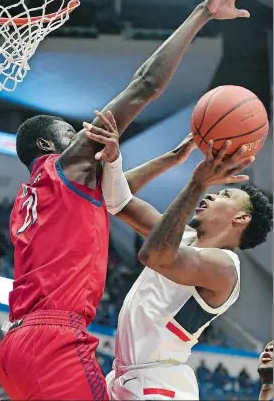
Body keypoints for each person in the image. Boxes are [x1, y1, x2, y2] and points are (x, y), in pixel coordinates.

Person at [0, 0, 261, 399]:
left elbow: (114, 197)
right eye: (72, 132)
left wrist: (170, 159)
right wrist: (202, 12)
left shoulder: (36, 195)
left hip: (15, 345)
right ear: (51, 145)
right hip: (55, 342)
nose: (83, 133)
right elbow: (146, 84)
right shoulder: (72, 165)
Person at [85, 109, 272, 400]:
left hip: (159, 386)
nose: (211, 195)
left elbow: (155, 257)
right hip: (128, 377)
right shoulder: (184, 237)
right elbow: (118, 201)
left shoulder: (224, 267)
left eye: (225, 195)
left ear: (241, 219)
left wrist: (198, 183)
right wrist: (118, 159)